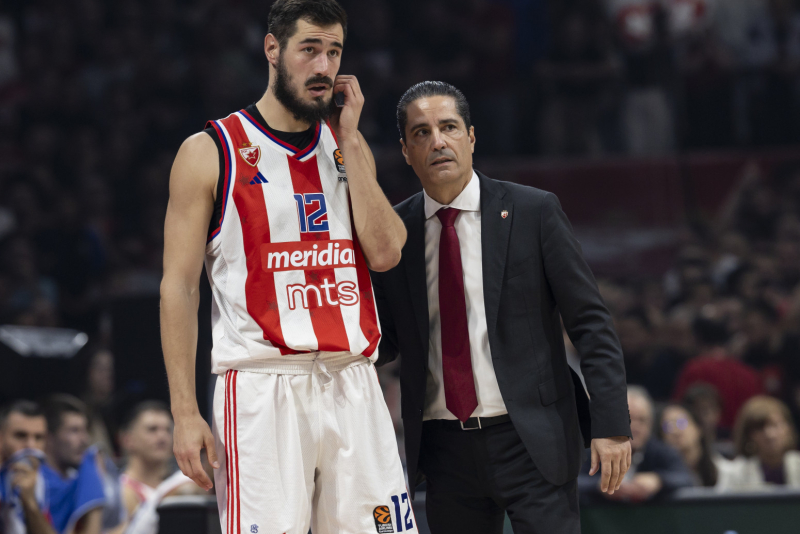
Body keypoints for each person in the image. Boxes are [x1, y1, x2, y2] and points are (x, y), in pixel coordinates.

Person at [159, 1, 410, 533]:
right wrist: (184, 411)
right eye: (309, 49)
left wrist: (350, 140)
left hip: (352, 379)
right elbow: (178, 288)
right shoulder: (211, 150)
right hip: (261, 385)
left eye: (334, 52)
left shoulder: (347, 144)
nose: (323, 66)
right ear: (272, 49)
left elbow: (387, 252)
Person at [370, 80, 631, 534]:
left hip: (532, 439)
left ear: (471, 137)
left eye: (449, 127)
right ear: (406, 151)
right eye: (421, 133)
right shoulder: (394, 231)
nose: (438, 141)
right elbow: (385, 337)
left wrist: (611, 425)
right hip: (443, 449)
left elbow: (591, 323)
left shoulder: (534, 211)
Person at [579, 387, 694, 503]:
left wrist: (658, 481)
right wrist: (600, 485)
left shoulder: (661, 451)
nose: (635, 427)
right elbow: (574, 482)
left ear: (650, 425)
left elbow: (687, 479)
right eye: (628, 419)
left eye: (642, 420)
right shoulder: (595, 450)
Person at [115, 402, 196, 534]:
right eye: (152, 429)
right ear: (127, 440)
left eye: (168, 430)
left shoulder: (186, 482)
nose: (162, 436)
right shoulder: (116, 491)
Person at [41, 395, 106, 534]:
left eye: (85, 430)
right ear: (49, 437)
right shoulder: (36, 483)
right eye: (74, 430)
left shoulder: (80, 478)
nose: (85, 439)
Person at [721, 395, 800, 490]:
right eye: (760, 428)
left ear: (788, 429)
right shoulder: (736, 474)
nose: (770, 435)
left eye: (775, 425)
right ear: (748, 435)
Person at [0, 400, 51, 534]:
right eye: (20, 435)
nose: (30, 445)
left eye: (38, 437)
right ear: (1, 437)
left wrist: (29, 502)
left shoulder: (49, 481)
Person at [657, 403, 728, 487]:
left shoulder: (726, 472)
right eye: (668, 426)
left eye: (681, 423)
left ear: (698, 428)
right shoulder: (660, 478)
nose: (676, 431)